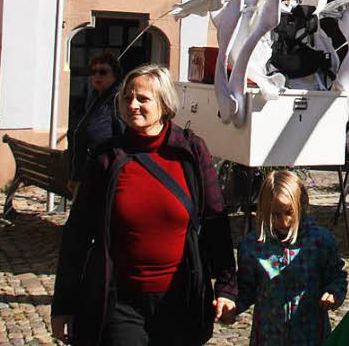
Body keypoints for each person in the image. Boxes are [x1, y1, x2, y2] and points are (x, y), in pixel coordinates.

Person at [51, 64, 236, 346]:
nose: (133, 105)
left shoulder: (190, 151)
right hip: (120, 300)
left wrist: (226, 286)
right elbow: (77, 232)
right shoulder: (108, 158)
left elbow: (215, 221)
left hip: (179, 298)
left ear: (164, 104)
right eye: (127, 98)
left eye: (142, 99)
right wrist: (63, 305)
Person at [230, 170, 346, 344]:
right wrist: (232, 305)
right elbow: (246, 288)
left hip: (311, 336)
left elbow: (336, 276)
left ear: (301, 205)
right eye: (275, 214)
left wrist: (334, 293)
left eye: (288, 212)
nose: (283, 222)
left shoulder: (320, 242)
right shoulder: (253, 246)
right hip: (269, 338)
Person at [68, 51, 125, 193]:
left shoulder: (119, 99)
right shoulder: (95, 97)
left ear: (115, 75)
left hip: (107, 173)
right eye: (93, 72)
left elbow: (122, 137)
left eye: (103, 71)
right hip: (90, 170)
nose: (97, 75)